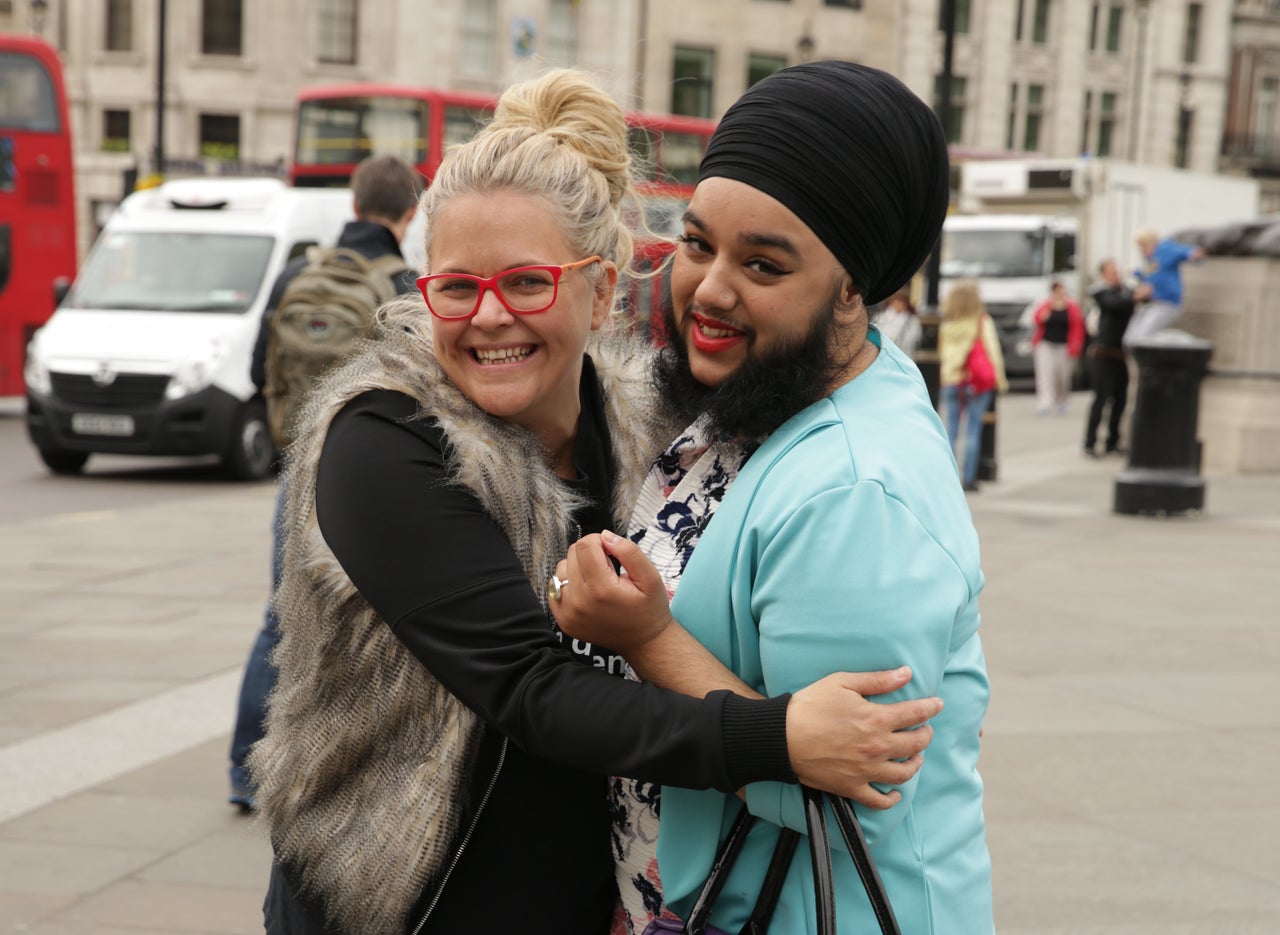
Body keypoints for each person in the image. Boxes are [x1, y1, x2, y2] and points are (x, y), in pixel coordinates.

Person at [247, 68, 942, 935]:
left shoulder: (654, 422)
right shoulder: (381, 441)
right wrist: (781, 738)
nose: (490, 316)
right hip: (399, 908)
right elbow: (531, 689)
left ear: (603, 290)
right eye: (457, 287)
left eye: (528, 282)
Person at [550, 60, 993, 935]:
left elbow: (844, 793)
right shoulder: (773, 392)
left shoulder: (853, 490)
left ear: (856, 291)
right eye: (699, 242)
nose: (710, 289)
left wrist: (644, 636)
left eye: (763, 263)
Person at [226, 154, 421, 810]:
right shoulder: (400, 281)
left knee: (281, 616)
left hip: (296, 466)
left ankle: (244, 773)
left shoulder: (294, 273)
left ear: (355, 202)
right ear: (410, 212)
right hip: (368, 476)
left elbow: (259, 369)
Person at [939, 278, 1008, 493]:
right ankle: (969, 478)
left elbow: (941, 351)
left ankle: (947, 478)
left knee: (951, 431)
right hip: (975, 381)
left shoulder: (947, 322)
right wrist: (1000, 379)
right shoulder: (981, 320)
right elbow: (992, 350)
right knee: (972, 431)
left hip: (951, 379)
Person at [1084, 258, 1136, 457]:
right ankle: (1090, 442)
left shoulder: (1124, 291)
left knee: (1120, 400)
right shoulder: (1100, 292)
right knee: (1100, 400)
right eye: (1112, 271)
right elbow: (1115, 305)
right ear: (1104, 274)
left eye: (1117, 271)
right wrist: (1134, 295)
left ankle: (1112, 441)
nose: (1117, 274)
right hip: (1103, 355)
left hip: (1120, 355)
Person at [1124, 228, 1205, 347]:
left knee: (1142, 337)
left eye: (1144, 247)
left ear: (1151, 244)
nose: (1142, 252)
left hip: (1166, 302)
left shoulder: (1165, 249)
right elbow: (1152, 273)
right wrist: (1136, 273)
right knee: (1129, 339)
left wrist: (1194, 254)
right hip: (1152, 303)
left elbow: (1186, 253)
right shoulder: (1151, 259)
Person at [1029, 279, 1086, 415]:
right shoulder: (1046, 305)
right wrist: (1045, 314)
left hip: (1064, 345)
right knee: (1045, 374)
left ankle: (1062, 400)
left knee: (1062, 376)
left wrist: (1077, 343)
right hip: (1046, 344)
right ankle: (1045, 402)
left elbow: (1078, 326)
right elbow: (1036, 319)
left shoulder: (1071, 306)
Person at [871, 288, 921, 358]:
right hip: (884, 355)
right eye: (896, 301)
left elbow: (915, 338)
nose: (898, 304)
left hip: (905, 355)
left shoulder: (912, 320)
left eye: (902, 302)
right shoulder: (881, 317)